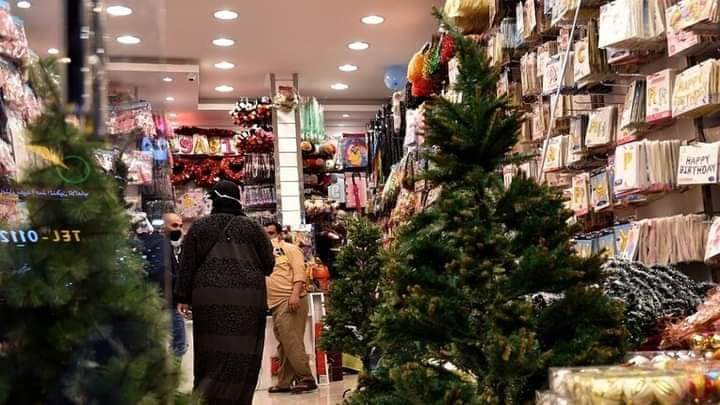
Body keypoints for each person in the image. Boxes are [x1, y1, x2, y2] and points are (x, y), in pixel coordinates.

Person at [175, 180, 274, 405]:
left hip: (209, 300)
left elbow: (187, 265)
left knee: (211, 354)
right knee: (243, 354)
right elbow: (268, 264)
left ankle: (208, 399)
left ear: (215, 200)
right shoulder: (253, 228)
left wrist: (182, 296)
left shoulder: (199, 227)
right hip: (248, 300)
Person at [264, 222, 317, 394]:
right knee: (285, 343)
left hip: (290, 299)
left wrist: (294, 294)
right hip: (275, 303)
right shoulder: (264, 254)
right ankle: (284, 382)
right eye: (265, 234)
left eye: (271, 233)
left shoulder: (291, 249)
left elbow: (300, 272)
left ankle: (307, 378)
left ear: (279, 234)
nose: (268, 237)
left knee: (291, 341)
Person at [138, 212, 187, 357]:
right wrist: (180, 285)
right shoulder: (162, 243)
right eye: (174, 225)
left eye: (180, 226)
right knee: (179, 345)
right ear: (163, 226)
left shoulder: (161, 244)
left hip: (157, 301)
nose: (179, 229)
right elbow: (160, 272)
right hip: (166, 303)